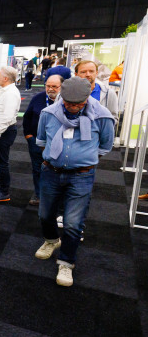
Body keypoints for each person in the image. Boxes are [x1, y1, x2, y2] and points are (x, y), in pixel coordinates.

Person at [34, 77, 115, 287]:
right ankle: (52, 241)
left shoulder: (102, 116)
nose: (73, 107)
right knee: (45, 214)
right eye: (68, 103)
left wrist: (82, 159)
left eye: (78, 104)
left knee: (73, 222)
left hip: (82, 175)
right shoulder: (49, 113)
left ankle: (66, 262)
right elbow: (41, 140)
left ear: (88, 98)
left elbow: (105, 146)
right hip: (51, 172)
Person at [23, 75, 63, 206]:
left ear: (61, 87)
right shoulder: (37, 98)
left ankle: (55, 196)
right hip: (36, 141)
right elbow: (27, 117)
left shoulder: (67, 101)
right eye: (48, 86)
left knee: (57, 170)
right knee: (37, 168)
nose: (50, 89)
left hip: (59, 144)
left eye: (54, 86)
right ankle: (39, 195)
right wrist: (28, 135)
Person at [0, 66, 22, 203]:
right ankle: (1, 188)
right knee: (0, 161)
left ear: (6, 78)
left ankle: (4, 192)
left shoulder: (11, 93)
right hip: (1, 131)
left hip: (3, 132)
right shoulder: (6, 90)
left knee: (2, 163)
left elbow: (8, 116)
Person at [74, 60, 119, 126]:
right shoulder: (66, 93)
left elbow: (113, 118)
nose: (88, 74)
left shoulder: (109, 94)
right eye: (83, 72)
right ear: (76, 74)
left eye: (91, 71)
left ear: (96, 73)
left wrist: (98, 127)